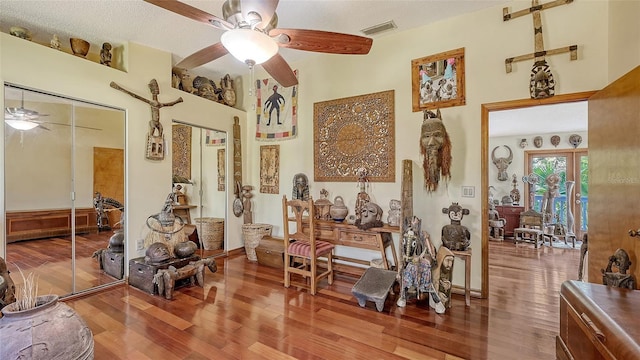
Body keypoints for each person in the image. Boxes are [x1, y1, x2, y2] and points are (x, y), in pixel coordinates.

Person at [110, 79, 183, 138]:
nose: (157, 91)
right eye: (155, 89)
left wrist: (177, 101)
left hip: (158, 122)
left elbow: (171, 104)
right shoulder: (153, 103)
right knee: (152, 131)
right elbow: (135, 96)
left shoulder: (158, 104)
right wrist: (119, 88)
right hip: (154, 122)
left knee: (160, 132)